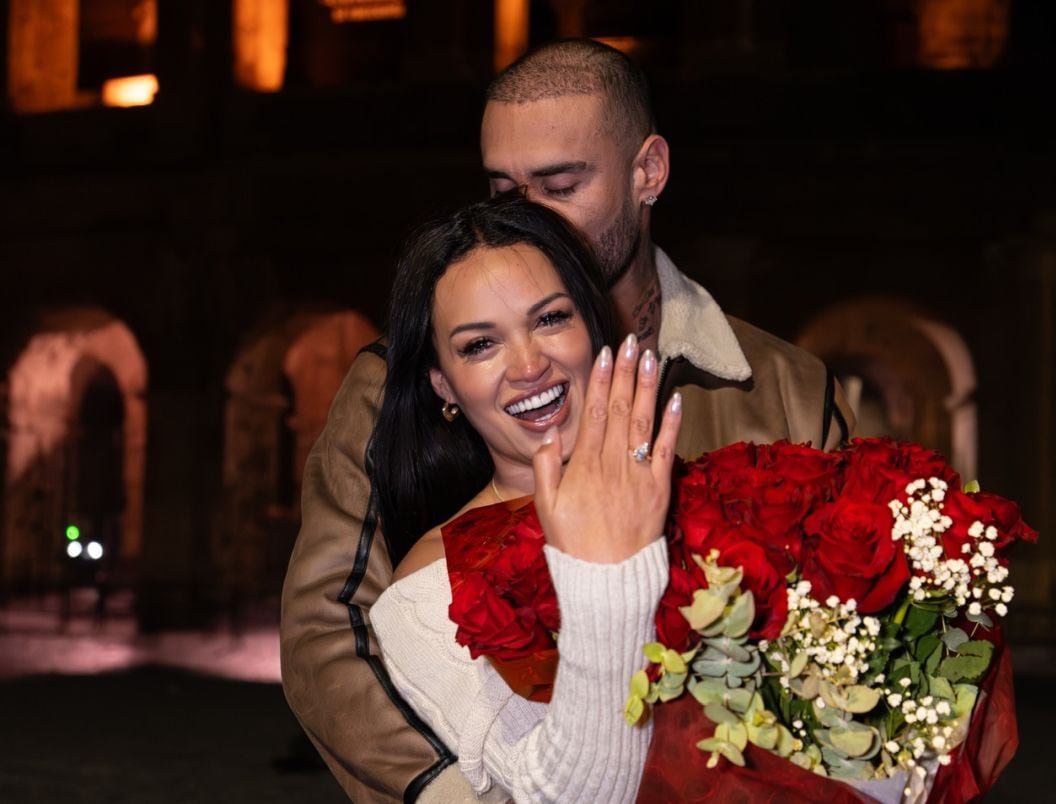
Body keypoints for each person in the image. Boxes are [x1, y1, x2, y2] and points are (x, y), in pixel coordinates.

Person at [279, 39, 856, 802]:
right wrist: (447, 791)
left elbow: (855, 624)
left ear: (648, 172)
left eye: (559, 184)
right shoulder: (398, 383)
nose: (526, 218)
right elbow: (327, 630)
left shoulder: (780, 384)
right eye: (503, 190)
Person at [367, 193, 680, 802]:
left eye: (550, 318)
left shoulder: (710, 492)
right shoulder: (429, 589)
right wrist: (609, 572)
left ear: (594, 329)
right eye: (480, 345)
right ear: (443, 385)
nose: (530, 364)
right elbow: (563, 794)